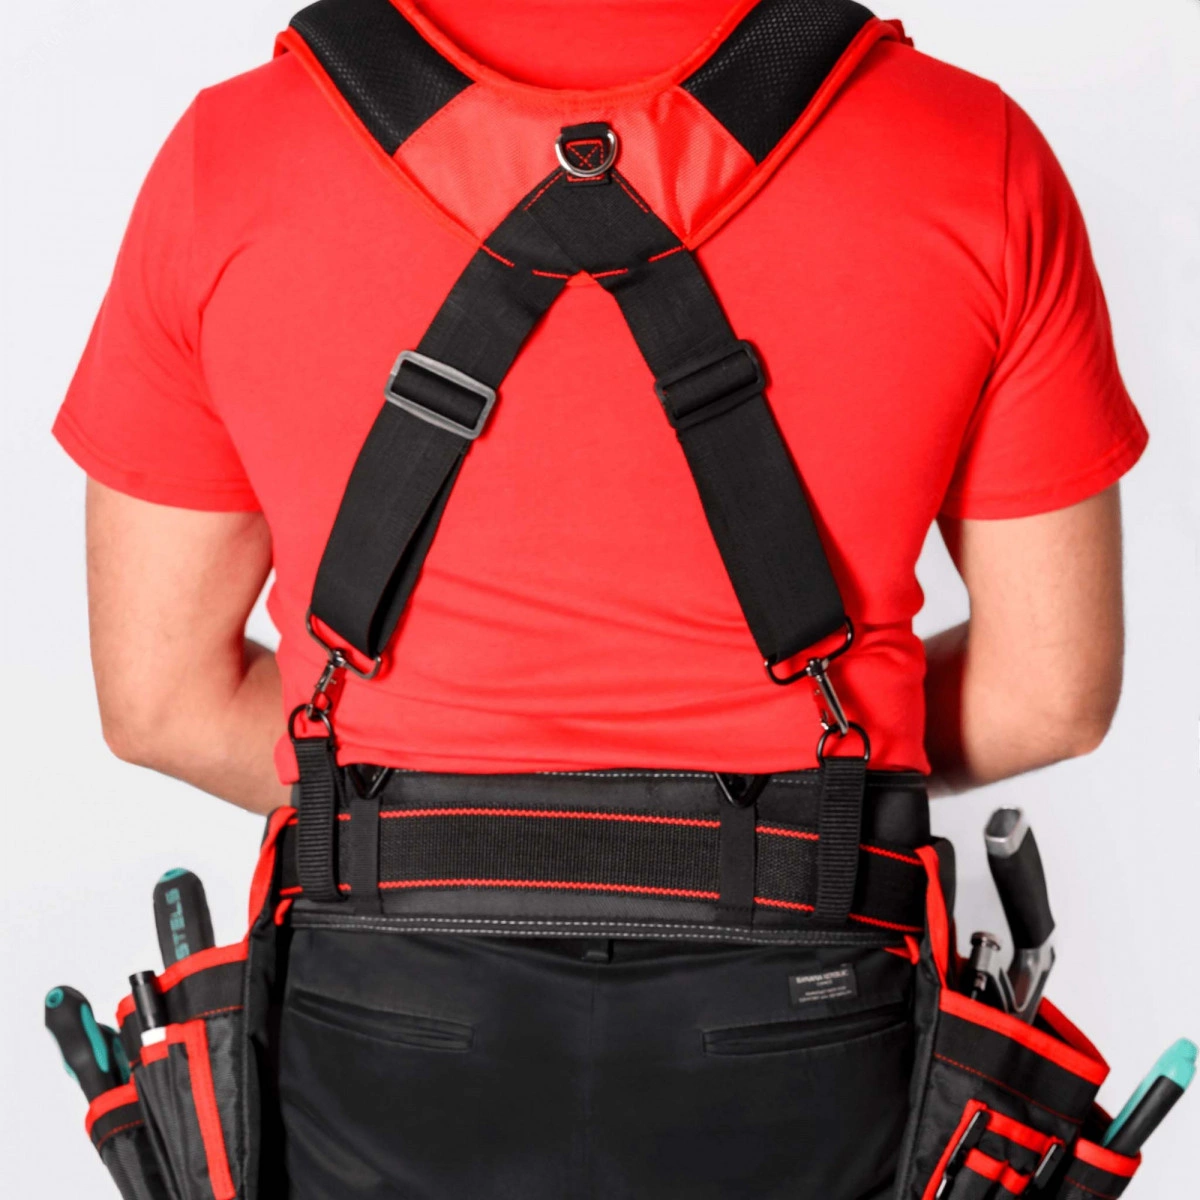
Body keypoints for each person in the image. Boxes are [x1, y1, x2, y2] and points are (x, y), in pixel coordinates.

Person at [54, 1, 1146, 1196]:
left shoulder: (235, 155)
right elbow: (1049, 693)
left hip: (380, 1020)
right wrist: (793, 801)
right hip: (810, 1012)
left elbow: (162, 699)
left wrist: (441, 789)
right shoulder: (967, 148)